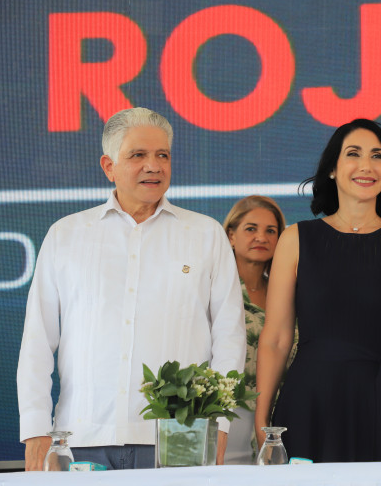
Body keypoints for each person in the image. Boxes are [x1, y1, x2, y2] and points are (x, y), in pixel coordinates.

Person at [16, 108, 246, 470]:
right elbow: (37, 341)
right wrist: (35, 431)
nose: (153, 166)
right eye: (138, 155)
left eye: (162, 155)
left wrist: (218, 424)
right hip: (81, 439)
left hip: (180, 437)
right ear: (109, 166)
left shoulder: (205, 234)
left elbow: (229, 338)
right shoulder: (67, 235)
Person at [254, 118, 381, 462]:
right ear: (332, 169)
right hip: (310, 399)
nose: (366, 165)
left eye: (377, 156)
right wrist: (261, 417)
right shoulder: (295, 239)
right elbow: (276, 338)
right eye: (353, 154)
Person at [222, 196, 298, 464]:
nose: (261, 237)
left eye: (271, 231)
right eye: (251, 229)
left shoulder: (290, 295)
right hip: (228, 416)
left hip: (281, 418)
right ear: (231, 236)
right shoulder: (216, 290)